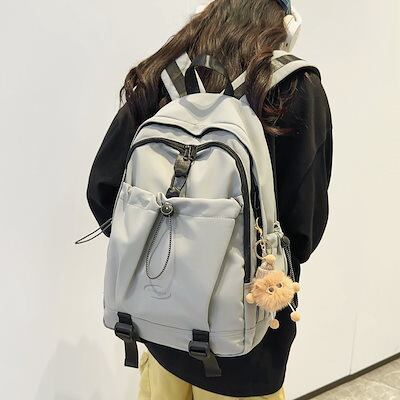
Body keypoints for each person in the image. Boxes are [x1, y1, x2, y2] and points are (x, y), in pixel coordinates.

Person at [86, 0, 333, 398]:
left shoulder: (163, 76)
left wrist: (170, 265)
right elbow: (304, 229)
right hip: (247, 346)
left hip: (157, 326)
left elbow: (103, 191)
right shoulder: (293, 86)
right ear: (285, 24)